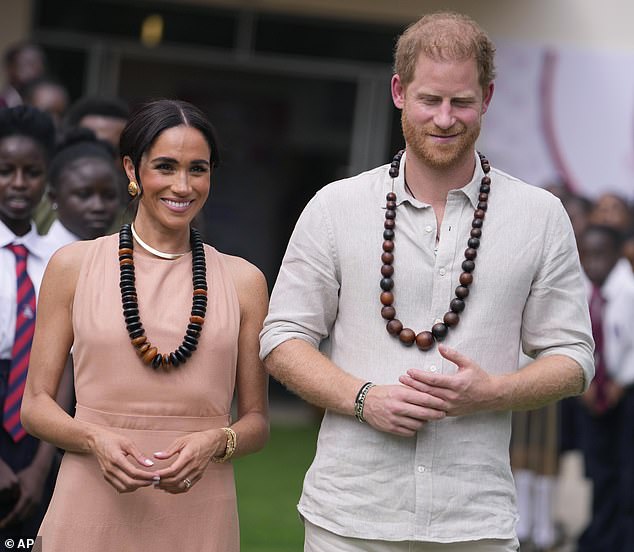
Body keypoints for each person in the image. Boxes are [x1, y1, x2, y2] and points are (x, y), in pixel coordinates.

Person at [259, 11, 594, 551]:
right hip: (348, 517)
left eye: (461, 102)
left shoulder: (541, 216)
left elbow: (574, 358)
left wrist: (492, 393)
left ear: (487, 98)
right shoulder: (336, 206)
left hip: (475, 523)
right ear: (398, 91)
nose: (444, 119)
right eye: (430, 100)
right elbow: (281, 340)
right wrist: (364, 399)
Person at [21, 99, 269, 551]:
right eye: (166, 166)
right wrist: (93, 438)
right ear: (132, 171)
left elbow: (256, 422)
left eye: (198, 169)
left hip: (200, 511)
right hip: (90, 503)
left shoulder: (244, 281)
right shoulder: (72, 267)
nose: (183, 185)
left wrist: (218, 440)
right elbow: (35, 405)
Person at [0, 105, 62, 539]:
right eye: (5, 170)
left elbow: (67, 366)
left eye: (32, 172)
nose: (19, 183)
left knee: (30, 541)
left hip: (39, 425)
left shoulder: (60, 261)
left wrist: (42, 466)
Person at [574, 224, 634, 552]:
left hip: (623, 393)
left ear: (616, 254)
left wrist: (620, 383)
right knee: (599, 469)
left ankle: (622, 538)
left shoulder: (627, 289)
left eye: (601, 255)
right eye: (587, 256)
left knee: (625, 468)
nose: (594, 263)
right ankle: (600, 533)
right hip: (590, 392)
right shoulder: (582, 288)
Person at [44, 127, 121, 249]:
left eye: (109, 195)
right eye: (84, 195)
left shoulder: (125, 257)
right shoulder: (33, 259)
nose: (98, 206)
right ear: (53, 198)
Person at [0, 42, 47, 108]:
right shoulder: (3, 104)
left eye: (39, 64)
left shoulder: (45, 103)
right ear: (11, 68)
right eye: (29, 63)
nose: (37, 70)